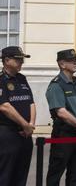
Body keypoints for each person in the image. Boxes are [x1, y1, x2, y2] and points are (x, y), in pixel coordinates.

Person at [46, 48, 76, 186]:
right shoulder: (56, 84)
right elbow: (61, 112)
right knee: (56, 173)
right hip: (64, 134)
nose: (75, 63)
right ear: (62, 64)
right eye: (71, 61)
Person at [0, 46, 36, 186]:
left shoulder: (22, 78)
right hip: (8, 134)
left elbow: (31, 102)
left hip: (25, 134)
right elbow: (4, 106)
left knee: (21, 175)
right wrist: (25, 124)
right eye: (18, 59)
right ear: (7, 60)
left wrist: (30, 125)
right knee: (5, 175)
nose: (21, 62)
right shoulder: (1, 80)